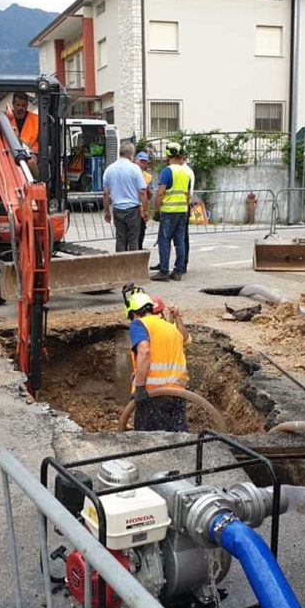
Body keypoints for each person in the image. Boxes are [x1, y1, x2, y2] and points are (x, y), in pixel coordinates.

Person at [126, 290, 189, 432]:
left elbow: (144, 351)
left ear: (134, 314)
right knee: (178, 437)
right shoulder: (171, 328)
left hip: (153, 394)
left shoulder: (139, 324)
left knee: (148, 440)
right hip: (178, 393)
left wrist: (140, 387)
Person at [151, 141, 191, 282]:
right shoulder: (186, 173)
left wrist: (157, 210)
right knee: (180, 241)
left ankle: (163, 272)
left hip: (169, 211)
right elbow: (188, 195)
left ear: (168, 155)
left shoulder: (167, 171)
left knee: (164, 240)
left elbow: (160, 193)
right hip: (182, 211)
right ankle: (178, 271)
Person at [102, 142, 148, 252]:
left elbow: (106, 193)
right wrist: (145, 210)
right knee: (133, 240)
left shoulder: (109, 169)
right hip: (133, 209)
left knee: (120, 239)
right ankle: (133, 261)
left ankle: (120, 261)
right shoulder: (135, 169)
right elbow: (142, 192)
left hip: (117, 209)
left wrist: (106, 211)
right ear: (130, 154)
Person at [136, 151, 153, 249]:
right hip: (132, 207)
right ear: (136, 160)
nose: (143, 164)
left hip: (142, 208)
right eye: (141, 161)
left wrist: (148, 190)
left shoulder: (148, 177)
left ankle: (139, 250)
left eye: (145, 162)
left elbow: (149, 195)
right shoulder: (130, 172)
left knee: (141, 233)